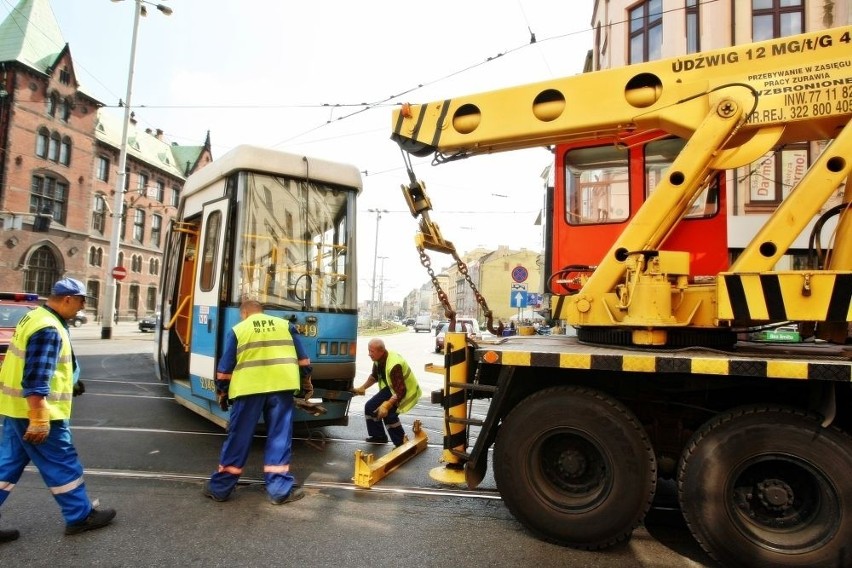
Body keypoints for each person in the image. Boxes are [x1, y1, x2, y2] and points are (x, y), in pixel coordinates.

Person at [0, 277, 116, 540]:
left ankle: (79, 513)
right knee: (62, 463)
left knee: (6, 466)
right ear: (67, 299)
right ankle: (80, 516)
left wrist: (71, 380)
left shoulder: (35, 317)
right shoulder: (49, 328)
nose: (81, 308)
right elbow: (37, 377)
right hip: (40, 413)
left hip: (15, 409)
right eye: (81, 302)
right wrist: (39, 417)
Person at [203, 299, 312, 505]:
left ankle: (220, 488)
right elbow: (304, 361)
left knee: (239, 437)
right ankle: (279, 491)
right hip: (281, 388)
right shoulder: (285, 326)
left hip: (248, 390)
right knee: (279, 437)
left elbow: (225, 369)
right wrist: (306, 379)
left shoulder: (239, 329)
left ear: (244, 313)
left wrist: (222, 391)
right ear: (263, 312)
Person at [351, 338, 422, 447]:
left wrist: (387, 404)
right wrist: (362, 387)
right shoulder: (378, 360)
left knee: (390, 415)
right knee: (370, 407)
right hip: (392, 389)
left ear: (381, 351)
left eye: (372, 351)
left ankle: (401, 444)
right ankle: (379, 436)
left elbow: (401, 391)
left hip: (405, 391)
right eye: (369, 351)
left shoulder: (394, 365)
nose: (369, 354)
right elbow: (374, 376)